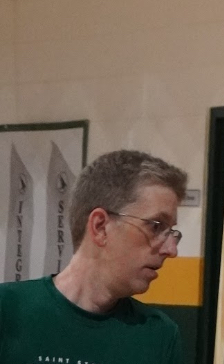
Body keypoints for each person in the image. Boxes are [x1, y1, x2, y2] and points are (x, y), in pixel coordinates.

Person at [0, 148, 187, 363]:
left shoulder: (159, 335)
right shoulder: (8, 311)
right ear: (100, 227)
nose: (171, 250)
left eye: (172, 232)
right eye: (156, 226)